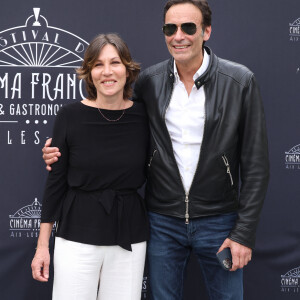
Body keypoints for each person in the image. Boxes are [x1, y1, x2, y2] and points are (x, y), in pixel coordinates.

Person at [42, 1, 270, 299]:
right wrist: (62, 152)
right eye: (170, 28)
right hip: (162, 220)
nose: (179, 36)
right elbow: (112, 126)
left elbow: (256, 165)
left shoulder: (239, 81)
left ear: (207, 31)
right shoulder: (150, 82)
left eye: (189, 27)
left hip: (219, 220)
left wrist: (243, 233)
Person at [31, 33, 150, 300]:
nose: (107, 72)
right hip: (76, 233)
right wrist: (42, 247)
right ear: (89, 73)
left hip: (128, 235)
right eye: (98, 64)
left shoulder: (145, 115)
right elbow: (55, 184)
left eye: (115, 62)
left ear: (128, 69)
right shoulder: (70, 116)